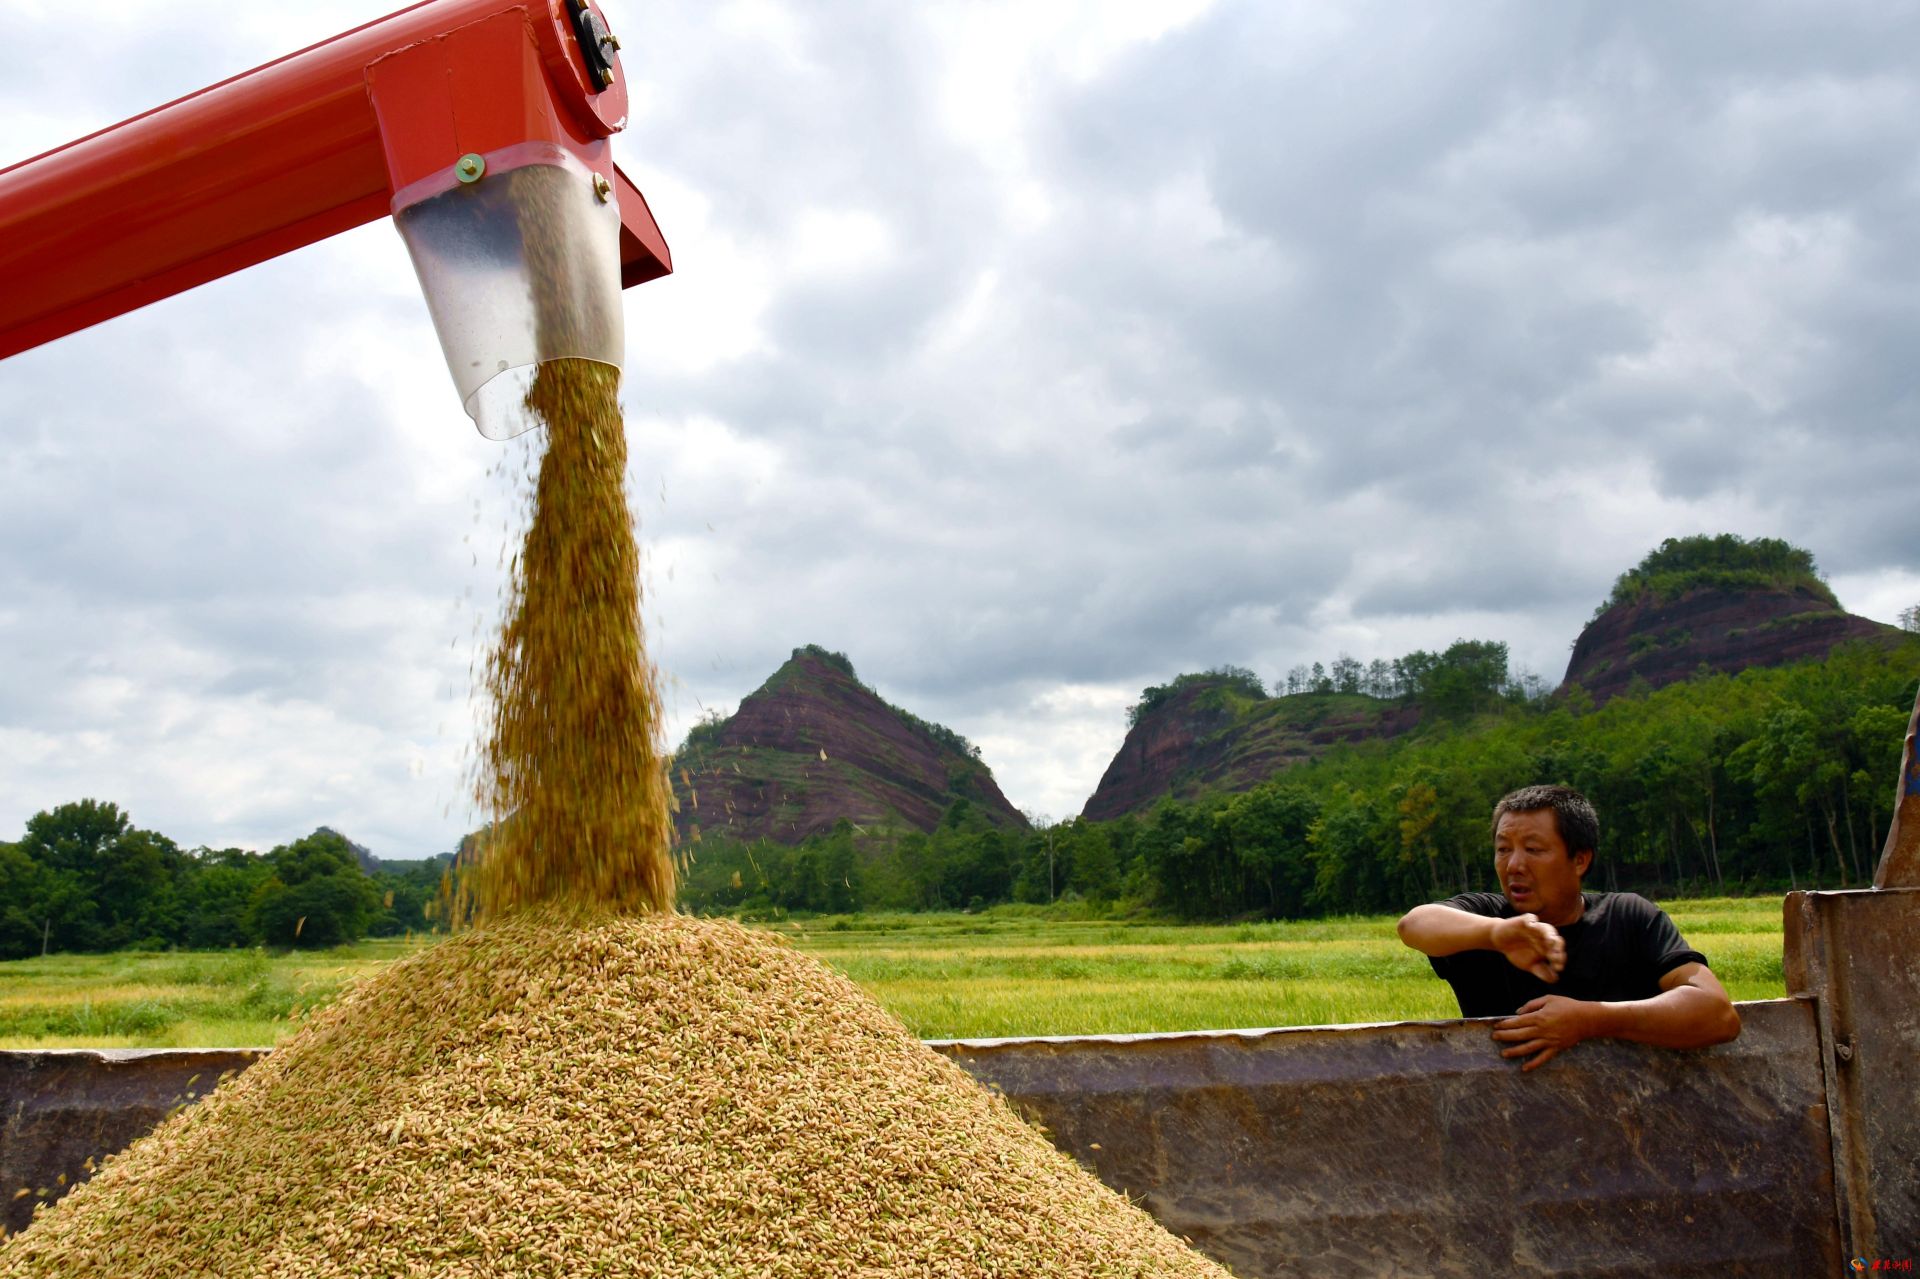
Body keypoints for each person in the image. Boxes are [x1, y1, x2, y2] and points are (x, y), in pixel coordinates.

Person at [1396, 784, 1740, 1071]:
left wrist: (1589, 1020)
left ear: (1580, 860)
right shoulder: (1486, 918)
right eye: (1503, 849)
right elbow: (1414, 924)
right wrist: (1498, 934)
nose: (1514, 864)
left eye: (1533, 849)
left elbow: (1717, 1014)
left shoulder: (1628, 917)